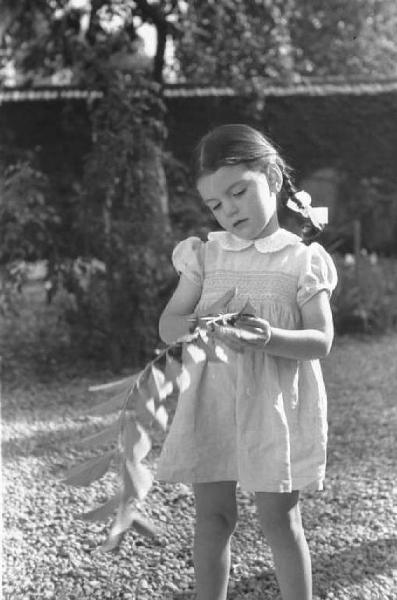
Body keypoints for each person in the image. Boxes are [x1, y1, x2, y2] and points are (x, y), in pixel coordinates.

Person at [157, 124, 338, 600]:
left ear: (273, 178)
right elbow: (169, 324)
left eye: (238, 192)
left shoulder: (302, 260)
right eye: (216, 204)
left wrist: (270, 336)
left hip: (274, 407)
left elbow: (321, 340)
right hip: (214, 400)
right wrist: (198, 325)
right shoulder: (205, 255)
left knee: (280, 518)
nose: (229, 210)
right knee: (213, 517)